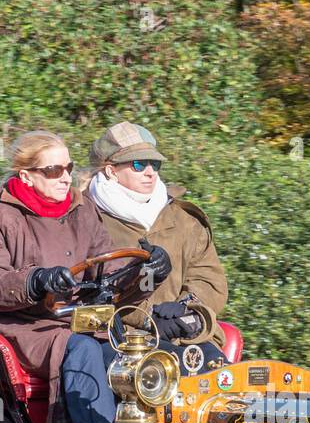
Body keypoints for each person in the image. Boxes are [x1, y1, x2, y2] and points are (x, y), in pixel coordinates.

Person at [0, 130, 170, 423]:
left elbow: (106, 275)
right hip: (22, 327)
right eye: (53, 170)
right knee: (83, 347)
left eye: (68, 167)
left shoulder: (81, 209)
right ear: (26, 176)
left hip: (79, 320)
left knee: (139, 352)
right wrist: (35, 280)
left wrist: (147, 271)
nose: (66, 177)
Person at [84, 122, 228, 370]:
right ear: (110, 170)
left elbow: (209, 279)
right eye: (139, 164)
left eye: (155, 164)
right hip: (119, 340)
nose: (150, 172)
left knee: (229, 389)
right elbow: (89, 291)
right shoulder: (84, 217)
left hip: (187, 333)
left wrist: (185, 308)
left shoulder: (184, 219)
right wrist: (150, 318)